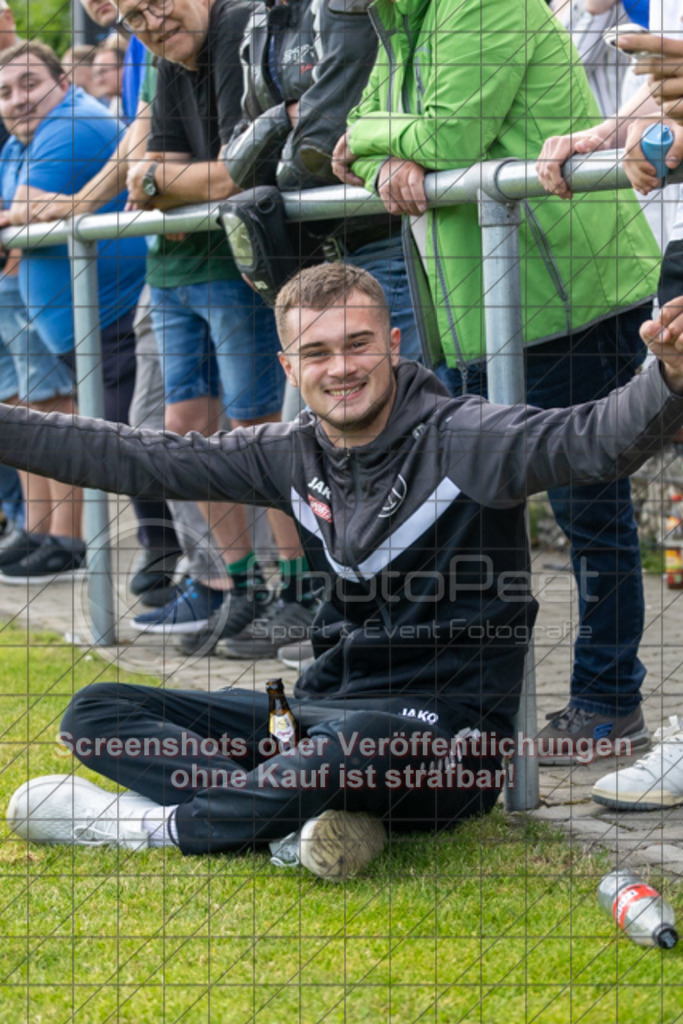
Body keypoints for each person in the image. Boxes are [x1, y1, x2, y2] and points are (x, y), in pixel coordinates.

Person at [5, 263, 683, 879]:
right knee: (98, 709)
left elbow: (594, 440)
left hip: (445, 743)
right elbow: (133, 455)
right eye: (317, 353)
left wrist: (667, 377)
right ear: (289, 368)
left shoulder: (468, 437)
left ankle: (154, 827)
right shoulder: (283, 451)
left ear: (393, 344)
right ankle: (293, 808)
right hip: (318, 718)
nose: (341, 368)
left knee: (356, 743)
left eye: (357, 344)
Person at [332, 0, 661, 766]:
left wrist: (382, 140)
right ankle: (466, 702)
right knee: (471, 515)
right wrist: (387, 158)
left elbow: (445, 137)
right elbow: (354, 131)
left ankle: (608, 704)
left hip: (569, 299)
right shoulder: (400, 23)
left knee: (590, 515)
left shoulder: (487, 3)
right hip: (484, 310)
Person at [116, 0, 318, 652]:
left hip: (236, 266)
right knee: (185, 432)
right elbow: (150, 175)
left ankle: (298, 588)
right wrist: (161, 178)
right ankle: (242, 585)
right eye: (130, 15)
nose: (150, 19)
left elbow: (241, 167)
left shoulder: (237, 27)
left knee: (261, 430)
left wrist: (161, 179)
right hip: (176, 271)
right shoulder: (165, 55)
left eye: (155, 2)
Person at [0, 41, 150, 583]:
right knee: (49, 418)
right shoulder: (25, 140)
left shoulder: (72, 124)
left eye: (29, 85)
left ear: (63, 82)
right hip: (71, 325)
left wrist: (15, 214)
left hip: (110, 319)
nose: (18, 100)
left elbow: (19, 209)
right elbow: (13, 212)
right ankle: (47, 532)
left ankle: (76, 542)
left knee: (120, 440)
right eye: (5, 92)